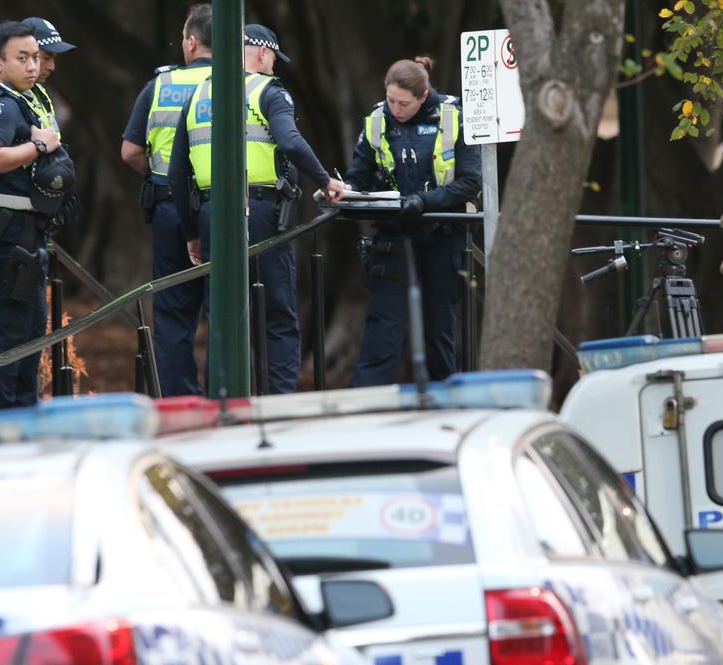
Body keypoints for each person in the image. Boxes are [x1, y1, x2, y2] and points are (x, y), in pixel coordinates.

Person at [168, 23, 345, 395]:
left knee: (222, 317)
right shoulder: (268, 90)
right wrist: (326, 181)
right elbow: (291, 142)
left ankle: (224, 402)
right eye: (274, 60)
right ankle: (278, 405)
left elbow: (176, 173)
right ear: (263, 54)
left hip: (211, 214)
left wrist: (192, 233)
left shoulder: (198, 94)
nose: (274, 67)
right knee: (277, 314)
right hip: (262, 212)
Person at [0, 21, 75, 409]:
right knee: (10, 336)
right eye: (22, 58)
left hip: (16, 230)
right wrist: (39, 145)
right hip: (4, 233)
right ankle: (4, 425)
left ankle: (24, 415)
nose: (32, 66)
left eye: (35, 57)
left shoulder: (21, 97)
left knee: (27, 331)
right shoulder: (1, 104)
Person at [344, 56, 481, 386]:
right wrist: (345, 192)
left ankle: (445, 409)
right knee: (383, 331)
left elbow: (469, 181)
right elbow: (358, 177)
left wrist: (424, 201)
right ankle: (365, 410)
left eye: (403, 103)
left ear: (423, 96)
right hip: (394, 234)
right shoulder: (377, 119)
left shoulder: (453, 116)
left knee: (439, 333)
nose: (395, 109)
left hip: (442, 236)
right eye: (390, 100)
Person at [121, 4, 213, 396]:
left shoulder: (160, 85)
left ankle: (180, 405)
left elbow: (130, 151)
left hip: (169, 209)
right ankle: (229, 398)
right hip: (223, 210)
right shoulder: (242, 83)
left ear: (191, 41)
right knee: (227, 306)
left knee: (173, 312)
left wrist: (161, 178)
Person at [22, 17, 77, 135]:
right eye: (46, 57)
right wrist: (39, 146)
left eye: (54, 58)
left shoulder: (38, 93)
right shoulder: (1, 99)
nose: (52, 67)